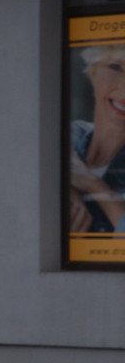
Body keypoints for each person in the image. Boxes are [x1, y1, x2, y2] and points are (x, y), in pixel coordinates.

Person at [70, 44, 125, 232]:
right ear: (93, 72)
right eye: (115, 67)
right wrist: (68, 188)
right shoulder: (70, 135)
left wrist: (93, 184)